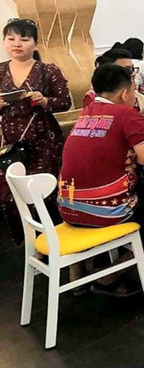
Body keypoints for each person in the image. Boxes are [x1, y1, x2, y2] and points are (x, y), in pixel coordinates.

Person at [58, 63, 144, 296]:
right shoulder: (126, 114)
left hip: (68, 208)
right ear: (125, 93)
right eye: (134, 90)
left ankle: (78, 274)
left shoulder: (87, 112)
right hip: (105, 211)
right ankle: (109, 277)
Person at [0, 19, 71, 243]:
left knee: (47, 191)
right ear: (4, 42)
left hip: (44, 141)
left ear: (35, 44)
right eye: (11, 38)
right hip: (11, 145)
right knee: (13, 195)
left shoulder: (47, 70)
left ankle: (56, 241)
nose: (17, 43)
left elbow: (65, 102)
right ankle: (30, 243)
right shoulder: (0, 71)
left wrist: (45, 100)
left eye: (24, 39)